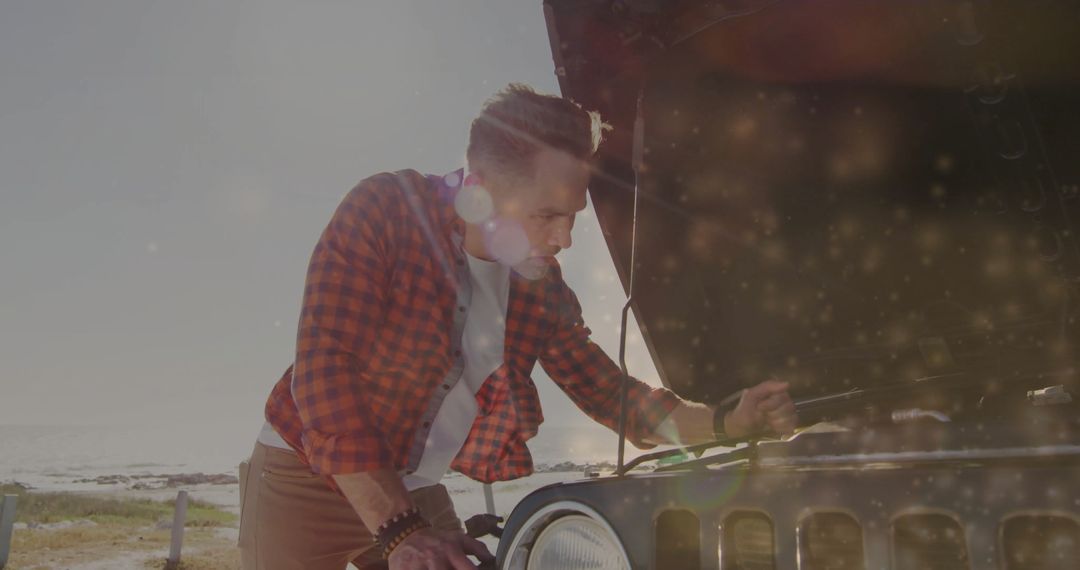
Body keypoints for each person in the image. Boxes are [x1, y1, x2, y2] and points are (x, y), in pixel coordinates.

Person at [238, 83, 797, 570]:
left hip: (414, 486)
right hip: (307, 474)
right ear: (480, 188)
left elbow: (615, 396)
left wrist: (729, 420)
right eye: (545, 216)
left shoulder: (541, 287)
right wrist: (402, 533)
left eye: (572, 216)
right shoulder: (387, 209)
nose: (564, 239)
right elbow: (324, 371)